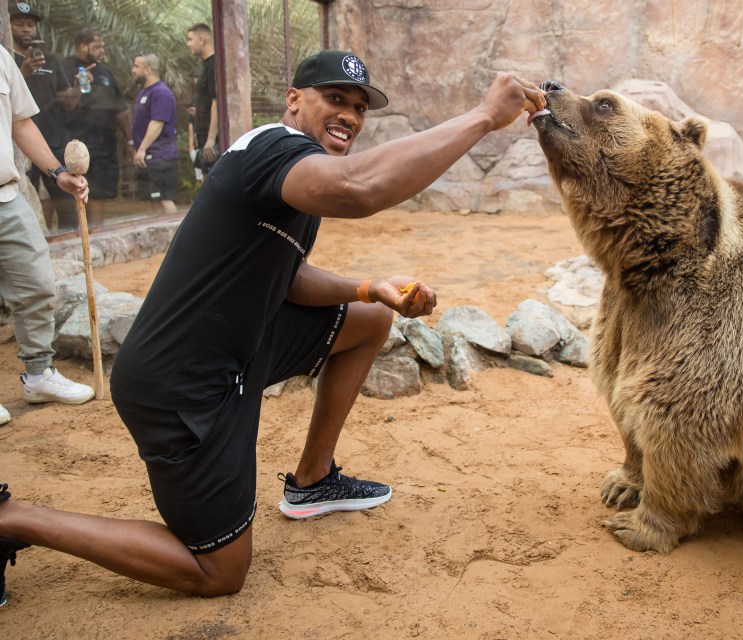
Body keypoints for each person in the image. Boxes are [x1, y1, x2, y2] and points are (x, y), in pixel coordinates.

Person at [0, 50, 545, 603]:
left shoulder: (298, 170)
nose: (350, 116)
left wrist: (366, 288)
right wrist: (481, 116)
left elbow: (289, 279)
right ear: (294, 101)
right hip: (182, 384)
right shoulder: (272, 149)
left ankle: (313, 480)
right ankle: (13, 518)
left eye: (359, 107)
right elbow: (361, 188)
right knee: (218, 572)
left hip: (240, 347)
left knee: (367, 319)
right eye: (335, 99)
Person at [0, 46, 95, 428]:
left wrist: (57, 172)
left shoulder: (2, 58)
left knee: (37, 284)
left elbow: (20, 122)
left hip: (6, 195)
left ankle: (38, 375)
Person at [8, 1, 78, 231]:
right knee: (27, 207)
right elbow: (9, 105)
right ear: (7, 27)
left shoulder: (52, 61)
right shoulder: (7, 61)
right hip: (20, 149)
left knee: (68, 205)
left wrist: (79, 87)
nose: (26, 29)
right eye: (19, 24)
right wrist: (24, 72)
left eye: (30, 24)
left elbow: (68, 102)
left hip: (55, 141)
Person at [63, 27, 132, 228]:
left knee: (99, 193)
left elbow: (120, 108)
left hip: (104, 144)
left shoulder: (105, 71)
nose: (102, 50)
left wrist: (130, 140)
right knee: (76, 192)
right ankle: (80, 236)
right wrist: (78, 86)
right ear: (83, 46)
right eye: (98, 46)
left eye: (103, 46)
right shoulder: (66, 67)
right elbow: (62, 105)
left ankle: (97, 234)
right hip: (76, 145)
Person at [130, 54, 178, 214]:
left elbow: (157, 123)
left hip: (161, 156)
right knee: (154, 200)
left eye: (136, 66)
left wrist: (142, 149)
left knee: (164, 199)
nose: (133, 70)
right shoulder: (144, 92)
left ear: (148, 69)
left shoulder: (161, 93)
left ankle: (178, 235)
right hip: (148, 157)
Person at [186, 23, 218, 176]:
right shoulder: (205, 65)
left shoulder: (213, 65)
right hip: (203, 135)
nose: (188, 44)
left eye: (190, 39)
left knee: (212, 185)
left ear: (202, 40)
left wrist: (211, 139)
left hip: (212, 139)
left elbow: (216, 103)